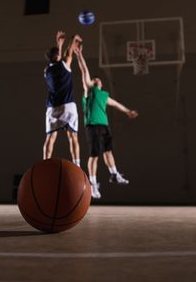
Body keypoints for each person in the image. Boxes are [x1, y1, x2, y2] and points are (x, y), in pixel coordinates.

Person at [75, 43, 138, 199]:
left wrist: (127, 111)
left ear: (101, 83)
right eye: (93, 79)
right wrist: (79, 55)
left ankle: (114, 174)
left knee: (108, 151)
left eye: (98, 79)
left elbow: (115, 104)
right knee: (94, 156)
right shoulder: (89, 91)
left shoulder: (104, 95)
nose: (95, 79)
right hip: (92, 126)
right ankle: (93, 185)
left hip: (104, 126)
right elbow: (84, 71)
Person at [43, 31, 81, 166]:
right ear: (58, 56)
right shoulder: (64, 65)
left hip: (52, 108)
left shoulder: (46, 70)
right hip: (67, 106)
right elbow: (69, 52)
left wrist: (59, 45)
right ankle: (77, 165)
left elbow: (57, 58)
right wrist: (73, 38)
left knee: (50, 138)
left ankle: (44, 164)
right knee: (73, 137)